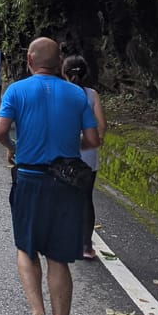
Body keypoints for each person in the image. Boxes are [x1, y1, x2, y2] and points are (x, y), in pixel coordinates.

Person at [0, 37, 99, 315]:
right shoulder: (77, 94)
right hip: (67, 182)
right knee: (58, 259)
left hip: (30, 178)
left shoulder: (17, 91)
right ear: (60, 62)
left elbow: (0, 131)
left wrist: (13, 147)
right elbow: (94, 140)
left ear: (29, 59)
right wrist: (67, 145)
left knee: (26, 249)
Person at [62, 54, 107, 260]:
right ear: (86, 72)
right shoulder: (92, 94)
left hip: (64, 153)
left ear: (64, 72)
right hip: (88, 155)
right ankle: (86, 246)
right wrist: (96, 141)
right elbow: (101, 126)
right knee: (86, 199)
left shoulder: (59, 92)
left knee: (63, 196)